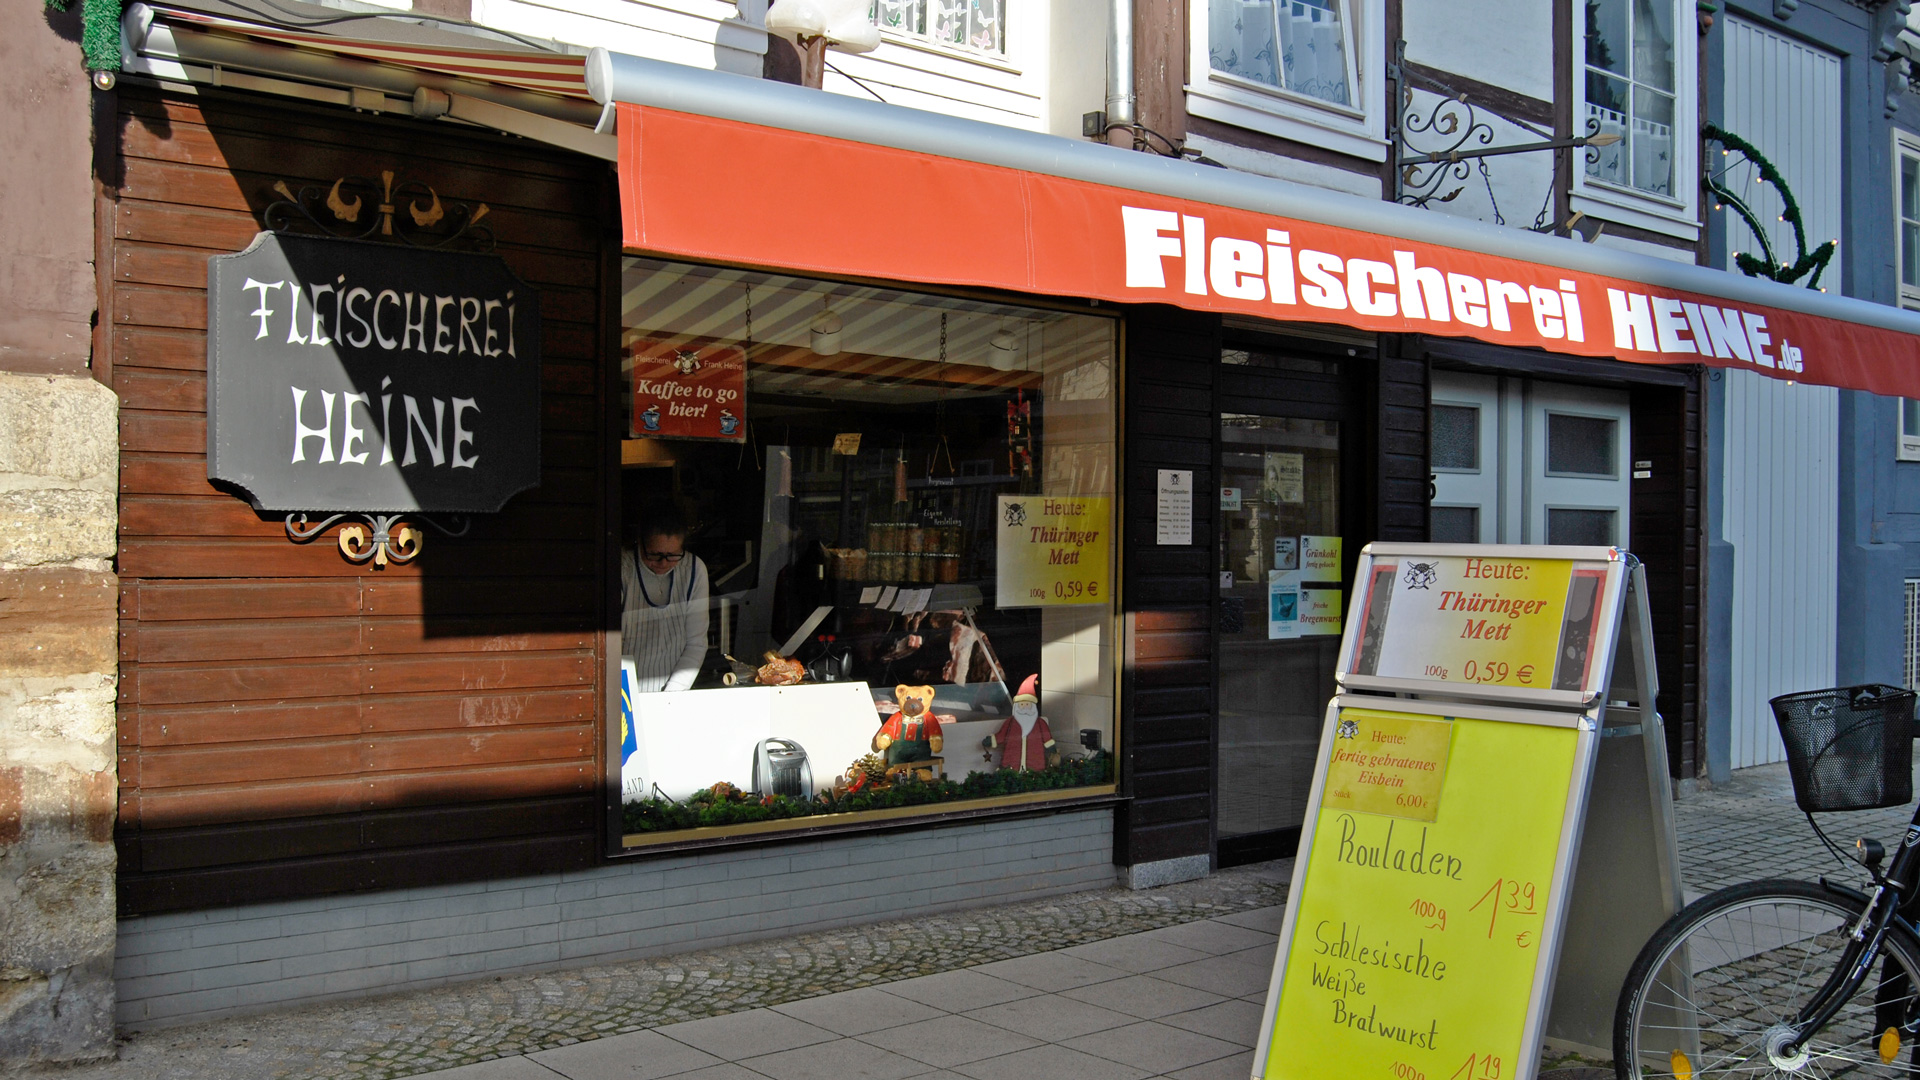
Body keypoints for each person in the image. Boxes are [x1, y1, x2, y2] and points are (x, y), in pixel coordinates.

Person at [621, 501, 710, 693]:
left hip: (675, 687)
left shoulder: (694, 570)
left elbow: (696, 643)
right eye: (654, 555)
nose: (663, 563)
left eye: (673, 555)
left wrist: (672, 693)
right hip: (623, 688)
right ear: (640, 543)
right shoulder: (623, 569)